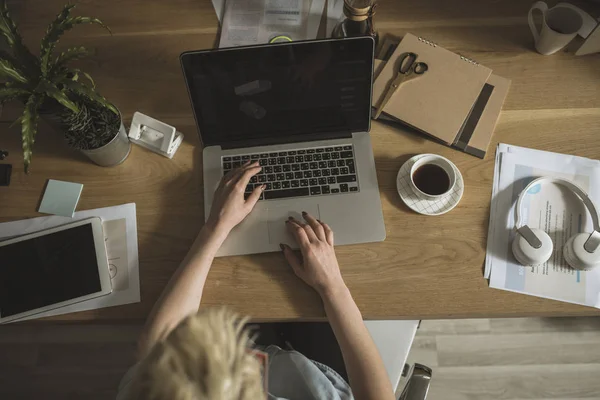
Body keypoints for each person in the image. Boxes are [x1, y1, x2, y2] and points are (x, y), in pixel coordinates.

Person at [117, 161, 395, 400]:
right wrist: (332, 286)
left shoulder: (155, 389)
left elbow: (157, 345)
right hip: (313, 377)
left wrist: (216, 227)